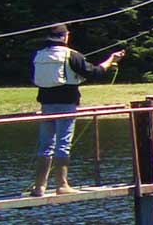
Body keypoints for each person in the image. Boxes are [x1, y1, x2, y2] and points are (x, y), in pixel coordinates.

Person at [25, 24, 123, 197]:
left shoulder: (38, 55)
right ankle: (62, 185)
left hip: (46, 105)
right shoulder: (72, 55)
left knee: (46, 144)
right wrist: (111, 60)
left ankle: (40, 186)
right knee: (63, 143)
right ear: (65, 37)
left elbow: (33, 78)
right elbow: (95, 72)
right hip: (67, 105)